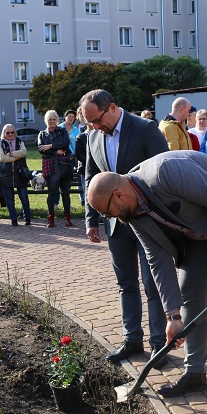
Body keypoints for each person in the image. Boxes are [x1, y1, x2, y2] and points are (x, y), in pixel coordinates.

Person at [85, 151, 207, 414]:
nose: (109, 217)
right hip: (202, 231)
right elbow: (157, 259)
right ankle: (195, 373)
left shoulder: (164, 171)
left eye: (105, 212)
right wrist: (172, 316)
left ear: (118, 195)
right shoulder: (131, 213)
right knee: (189, 293)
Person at [79, 88, 169, 366]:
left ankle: (159, 345)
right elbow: (90, 178)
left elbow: (163, 174)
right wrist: (91, 219)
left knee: (153, 284)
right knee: (125, 283)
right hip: (114, 224)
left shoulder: (145, 129)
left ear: (112, 107)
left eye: (96, 120)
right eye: (89, 122)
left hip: (147, 221)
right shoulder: (93, 136)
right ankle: (132, 340)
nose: (94, 127)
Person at [38, 110, 72, 228]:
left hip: (64, 166)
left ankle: (67, 217)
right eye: (50, 119)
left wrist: (50, 146)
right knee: (51, 192)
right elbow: (41, 149)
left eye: (54, 119)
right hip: (49, 165)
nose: (52, 121)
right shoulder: (42, 134)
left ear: (57, 120)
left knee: (65, 193)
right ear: (46, 121)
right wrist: (56, 151)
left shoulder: (62, 131)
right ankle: (50, 218)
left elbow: (66, 143)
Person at [0, 123, 31, 226]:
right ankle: (14, 219)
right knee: (9, 200)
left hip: (20, 175)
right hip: (6, 175)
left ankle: (27, 218)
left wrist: (11, 154)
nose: (10, 134)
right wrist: (16, 158)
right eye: (8, 132)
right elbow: (2, 158)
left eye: (12, 132)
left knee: (24, 198)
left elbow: (23, 152)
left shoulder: (20, 141)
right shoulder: (0, 144)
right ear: (4, 133)